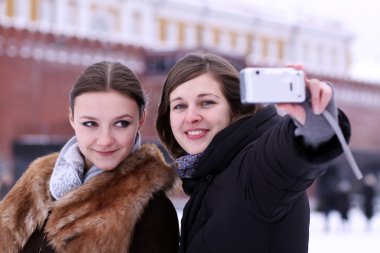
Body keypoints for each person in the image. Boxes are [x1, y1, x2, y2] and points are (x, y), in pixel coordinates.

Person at [155, 52, 351, 253]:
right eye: (179, 106)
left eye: (206, 102)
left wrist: (313, 119)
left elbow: (287, 154)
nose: (191, 116)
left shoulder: (252, 172)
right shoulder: (207, 176)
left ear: (235, 108)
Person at [0, 61, 179, 253]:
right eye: (90, 124)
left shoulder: (152, 212)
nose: (105, 140)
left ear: (141, 120)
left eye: (121, 124)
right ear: (72, 118)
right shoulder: (36, 182)